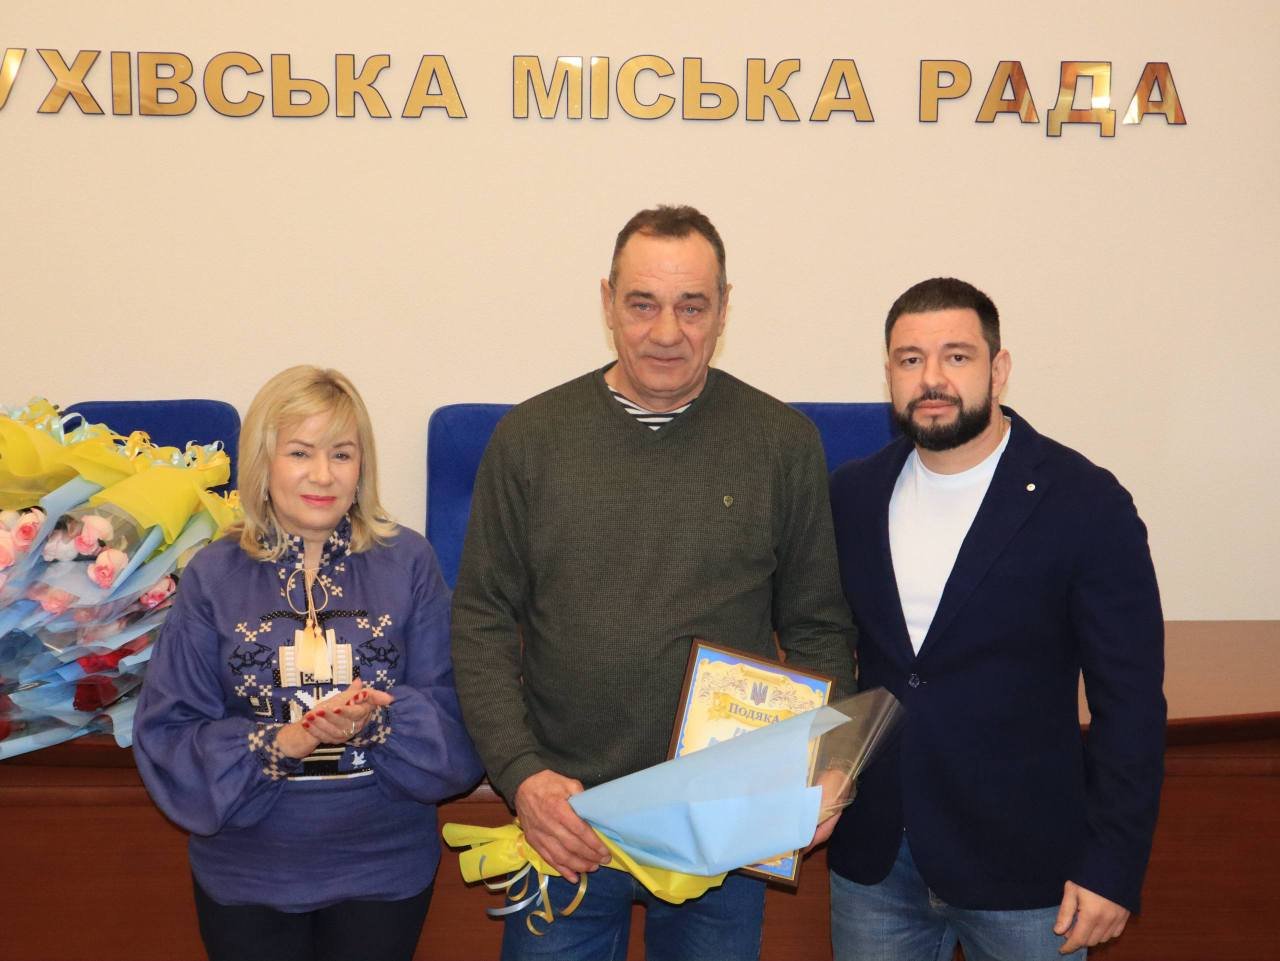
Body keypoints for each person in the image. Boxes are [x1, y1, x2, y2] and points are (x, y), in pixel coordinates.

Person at [451, 204, 856, 961]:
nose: (666, 332)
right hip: (567, 821)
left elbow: (819, 627)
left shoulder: (783, 444)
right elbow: (480, 620)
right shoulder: (529, 440)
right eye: (642, 304)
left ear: (724, 309)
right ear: (608, 302)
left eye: (691, 306)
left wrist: (821, 765)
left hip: (723, 827)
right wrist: (521, 775)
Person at [825, 277, 1165, 960]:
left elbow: (1129, 702)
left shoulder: (1085, 502)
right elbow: (829, 647)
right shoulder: (852, 494)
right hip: (876, 866)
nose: (932, 378)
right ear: (889, 374)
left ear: (998, 368)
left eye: (957, 356)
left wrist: (1113, 864)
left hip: (1030, 870)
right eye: (911, 359)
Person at [133, 366, 482, 961]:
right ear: (263, 462)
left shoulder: (409, 561)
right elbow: (169, 732)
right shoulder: (213, 573)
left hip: (383, 869)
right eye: (300, 452)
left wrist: (377, 723)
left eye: (341, 454)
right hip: (247, 874)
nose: (323, 474)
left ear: (361, 466)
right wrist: (283, 743)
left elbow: (457, 715)